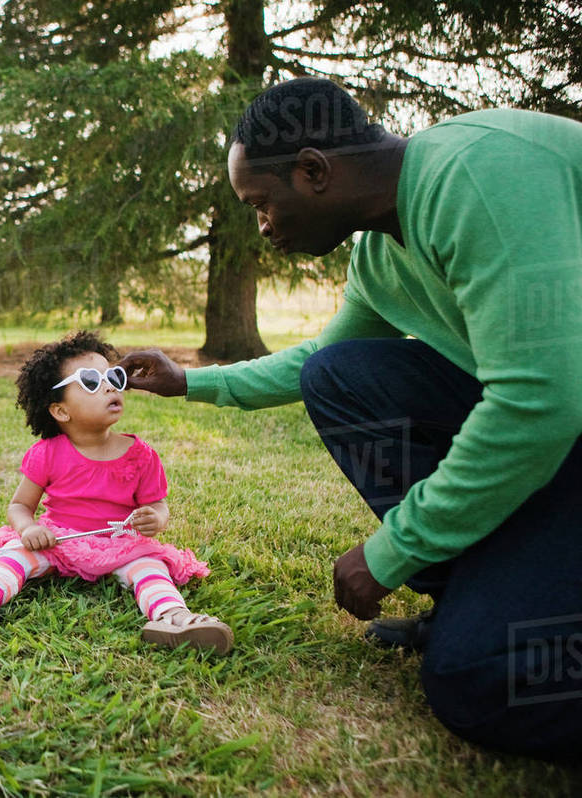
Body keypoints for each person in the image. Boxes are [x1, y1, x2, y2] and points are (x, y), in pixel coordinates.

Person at [120, 77, 581, 758]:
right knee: (335, 377)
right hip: (563, 436)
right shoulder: (379, 253)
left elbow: (540, 405)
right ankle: (470, 596)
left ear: (312, 172)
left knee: (475, 681)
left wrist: (395, 548)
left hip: (561, 426)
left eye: (261, 204)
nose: (263, 226)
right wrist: (189, 382)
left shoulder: (478, 176)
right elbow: (319, 359)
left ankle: (496, 619)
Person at [0, 330, 232, 652]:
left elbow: (158, 505)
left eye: (114, 378)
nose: (109, 386)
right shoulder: (48, 453)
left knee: (151, 568)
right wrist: (29, 528)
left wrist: (155, 519)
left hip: (119, 543)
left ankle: (173, 617)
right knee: (13, 556)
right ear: (61, 411)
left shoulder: (141, 455)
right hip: (58, 540)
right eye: (91, 382)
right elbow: (19, 506)